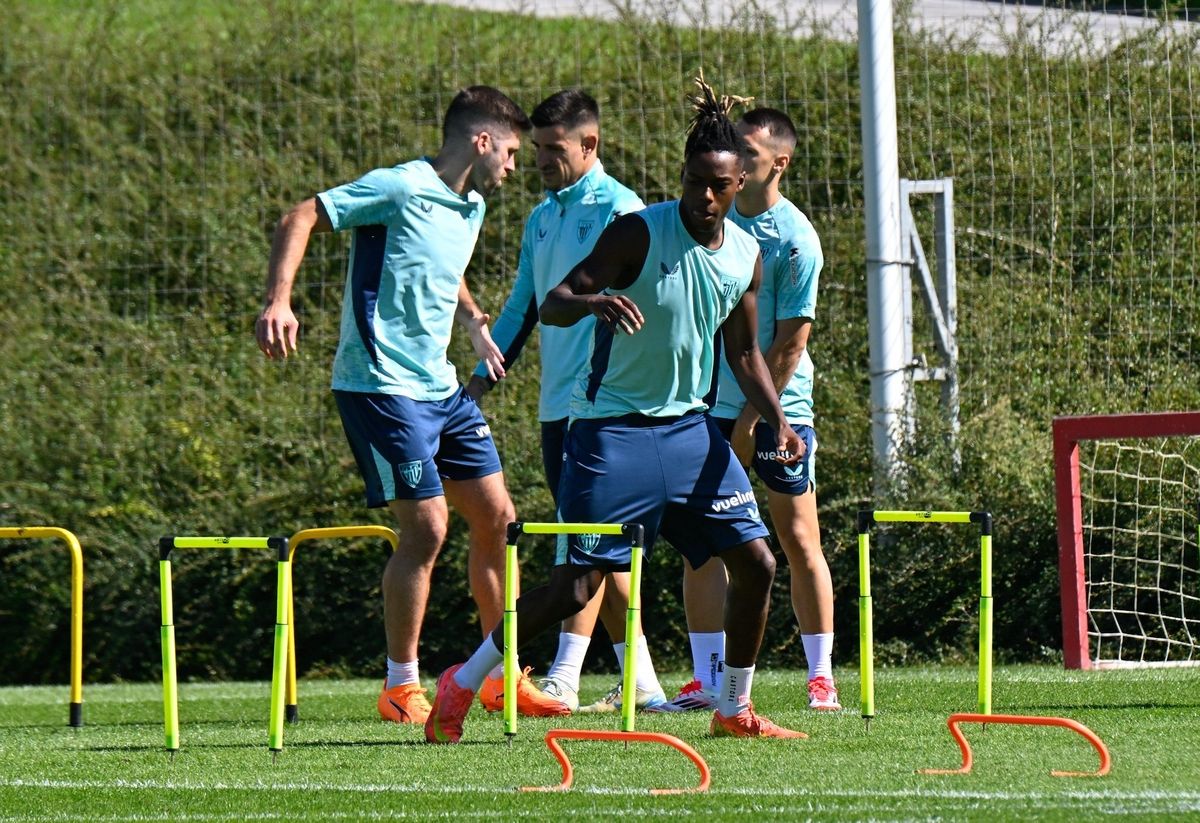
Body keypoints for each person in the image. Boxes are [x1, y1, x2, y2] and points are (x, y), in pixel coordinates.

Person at [425, 73, 808, 744]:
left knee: (758, 563)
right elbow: (555, 301)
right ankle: (463, 681)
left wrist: (774, 416)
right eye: (695, 183)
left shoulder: (747, 256)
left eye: (719, 186)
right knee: (575, 588)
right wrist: (596, 301)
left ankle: (734, 708)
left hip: (691, 435)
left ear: (738, 184)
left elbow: (745, 354)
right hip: (611, 437)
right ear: (682, 177)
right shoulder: (637, 233)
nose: (706, 197)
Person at [255, 86, 531, 726]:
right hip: (380, 385)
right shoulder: (399, 187)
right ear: (482, 140)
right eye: (512, 152)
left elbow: (445, 263)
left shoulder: (473, 207)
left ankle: (501, 677)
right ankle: (401, 685)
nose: (514, 167)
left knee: (498, 518)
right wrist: (278, 300)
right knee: (428, 527)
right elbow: (300, 216)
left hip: (442, 389)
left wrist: (474, 322)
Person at [465, 89, 669, 716]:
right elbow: (524, 306)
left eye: (556, 150)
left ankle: (563, 675)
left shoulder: (623, 212)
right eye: (540, 149)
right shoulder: (542, 216)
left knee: (579, 543)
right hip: (558, 408)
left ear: (590, 145)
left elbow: (651, 313)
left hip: (603, 407)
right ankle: (643, 682)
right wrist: (476, 385)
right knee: (596, 544)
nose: (542, 161)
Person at [661, 108, 840, 714]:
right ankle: (707, 679)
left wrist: (752, 420)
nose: (735, 161)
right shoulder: (711, 218)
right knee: (703, 544)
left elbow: (790, 343)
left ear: (778, 164)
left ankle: (821, 679)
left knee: (795, 536)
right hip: (705, 406)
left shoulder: (795, 240)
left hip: (778, 407)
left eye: (751, 153)